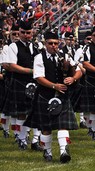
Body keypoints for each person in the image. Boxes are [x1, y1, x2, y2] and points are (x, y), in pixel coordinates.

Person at [24, 31, 82, 163]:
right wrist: (54, 86)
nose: (53, 46)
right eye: (50, 43)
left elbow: (79, 70)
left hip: (62, 96)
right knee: (46, 128)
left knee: (63, 125)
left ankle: (64, 151)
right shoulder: (40, 57)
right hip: (45, 96)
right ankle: (47, 152)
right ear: (45, 44)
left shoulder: (65, 56)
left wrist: (72, 79)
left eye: (56, 43)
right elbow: (39, 78)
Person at [3, 21, 42, 151]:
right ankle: (21, 138)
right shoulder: (13, 47)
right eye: (23, 33)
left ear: (32, 33)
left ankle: (36, 140)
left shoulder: (37, 46)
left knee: (36, 112)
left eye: (28, 33)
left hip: (35, 83)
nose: (25, 35)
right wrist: (31, 71)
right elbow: (12, 66)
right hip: (20, 83)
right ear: (19, 32)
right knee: (21, 114)